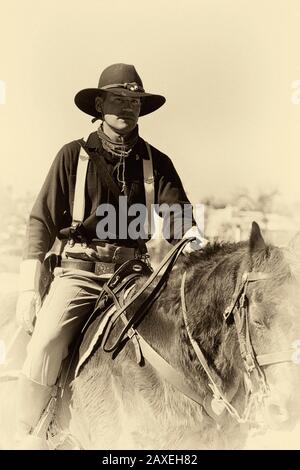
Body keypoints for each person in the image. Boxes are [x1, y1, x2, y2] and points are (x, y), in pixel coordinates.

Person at [15, 63, 206, 448]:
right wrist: (28, 288)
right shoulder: (73, 156)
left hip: (135, 277)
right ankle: (29, 433)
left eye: (135, 101)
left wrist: (197, 245)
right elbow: (41, 220)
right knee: (46, 342)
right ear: (99, 104)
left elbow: (180, 225)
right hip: (81, 274)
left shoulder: (157, 162)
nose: (127, 108)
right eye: (118, 100)